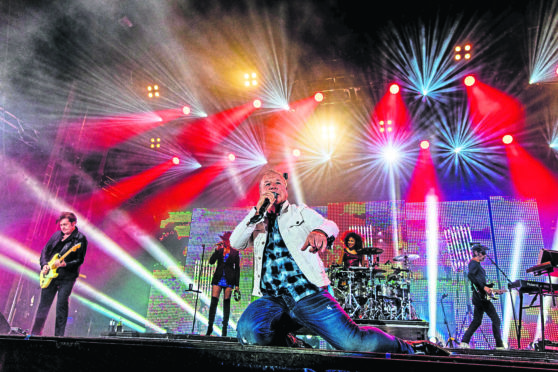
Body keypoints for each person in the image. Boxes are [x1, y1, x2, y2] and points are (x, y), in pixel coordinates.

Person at [229, 169, 423, 353]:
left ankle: (411, 347)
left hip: (308, 293)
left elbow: (329, 225)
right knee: (249, 334)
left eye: (278, 183)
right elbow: (236, 242)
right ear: (261, 191)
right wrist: (257, 211)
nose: (273, 187)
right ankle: (295, 347)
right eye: (267, 184)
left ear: (285, 190)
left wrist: (320, 232)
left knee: (354, 344)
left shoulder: (299, 212)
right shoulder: (256, 220)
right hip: (273, 298)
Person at [31, 211, 87, 336]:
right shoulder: (56, 235)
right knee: (43, 305)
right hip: (50, 275)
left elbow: (79, 259)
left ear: (74, 224)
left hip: (67, 277)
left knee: (61, 305)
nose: (63, 228)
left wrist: (65, 264)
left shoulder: (80, 239)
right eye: (61, 225)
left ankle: (59, 337)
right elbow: (45, 251)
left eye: (65, 225)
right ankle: (35, 333)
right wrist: (44, 265)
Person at [460, 244, 505, 349]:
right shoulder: (474, 263)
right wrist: (484, 288)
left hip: (480, 297)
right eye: (483, 253)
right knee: (496, 320)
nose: (485, 256)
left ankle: (464, 342)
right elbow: (471, 276)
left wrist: (494, 290)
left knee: (477, 320)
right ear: (476, 253)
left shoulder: (477, 265)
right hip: (480, 298)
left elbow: (481, 284)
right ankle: (499, 345)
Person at [206, 231, 240, 337]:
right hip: (218, 277)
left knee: (226, 303)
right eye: (225, 240)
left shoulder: (235, 252)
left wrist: (237, 285)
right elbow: (211, 262)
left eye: (228, 240)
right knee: (214, 302)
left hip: (229, 279)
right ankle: (210, 327)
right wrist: (216, 251)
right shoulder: (219, 251)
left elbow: (237, 269)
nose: (226, 242)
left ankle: (224, 329)